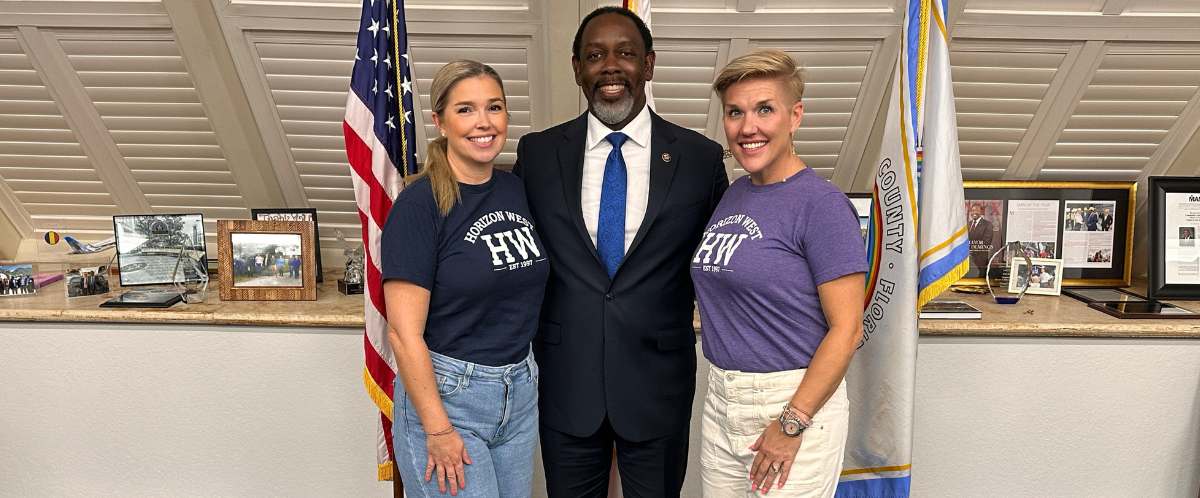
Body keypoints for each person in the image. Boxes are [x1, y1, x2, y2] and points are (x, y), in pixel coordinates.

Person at [511, 7, 729, 497]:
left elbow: (724, 261)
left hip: (659, 385)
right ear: (577, 69)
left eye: (625, 54)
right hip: (566, 382)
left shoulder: (700, 158)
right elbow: (514, 258)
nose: (610, 66)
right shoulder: (537, 154)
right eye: (595, 55)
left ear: (648, 65)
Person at [693, 49, 867, 498]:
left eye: (764, 109)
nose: (747, 127)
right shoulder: (734, 194)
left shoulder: (821, 205)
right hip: (721, 401)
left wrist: (792, 422)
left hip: (790, 403)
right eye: (735, 112)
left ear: (795, 116)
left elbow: (847, 330)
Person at [382, 60, 548, 498]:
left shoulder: (514, 189)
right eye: (465, 110)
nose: (483, 122)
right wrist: (437, 430)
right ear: (439, 121)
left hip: (519, 392)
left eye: (494, 107)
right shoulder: (418, 207)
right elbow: (402, 333)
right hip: (449, 396)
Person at [967, 203, 994, 269]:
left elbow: (986, 243)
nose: (974, 212)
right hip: (967, 261)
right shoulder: (968, 224)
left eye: (977, 210)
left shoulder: (987, 224)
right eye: (972, 210)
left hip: (980, 261)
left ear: (981, 212)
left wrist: (970, 250)